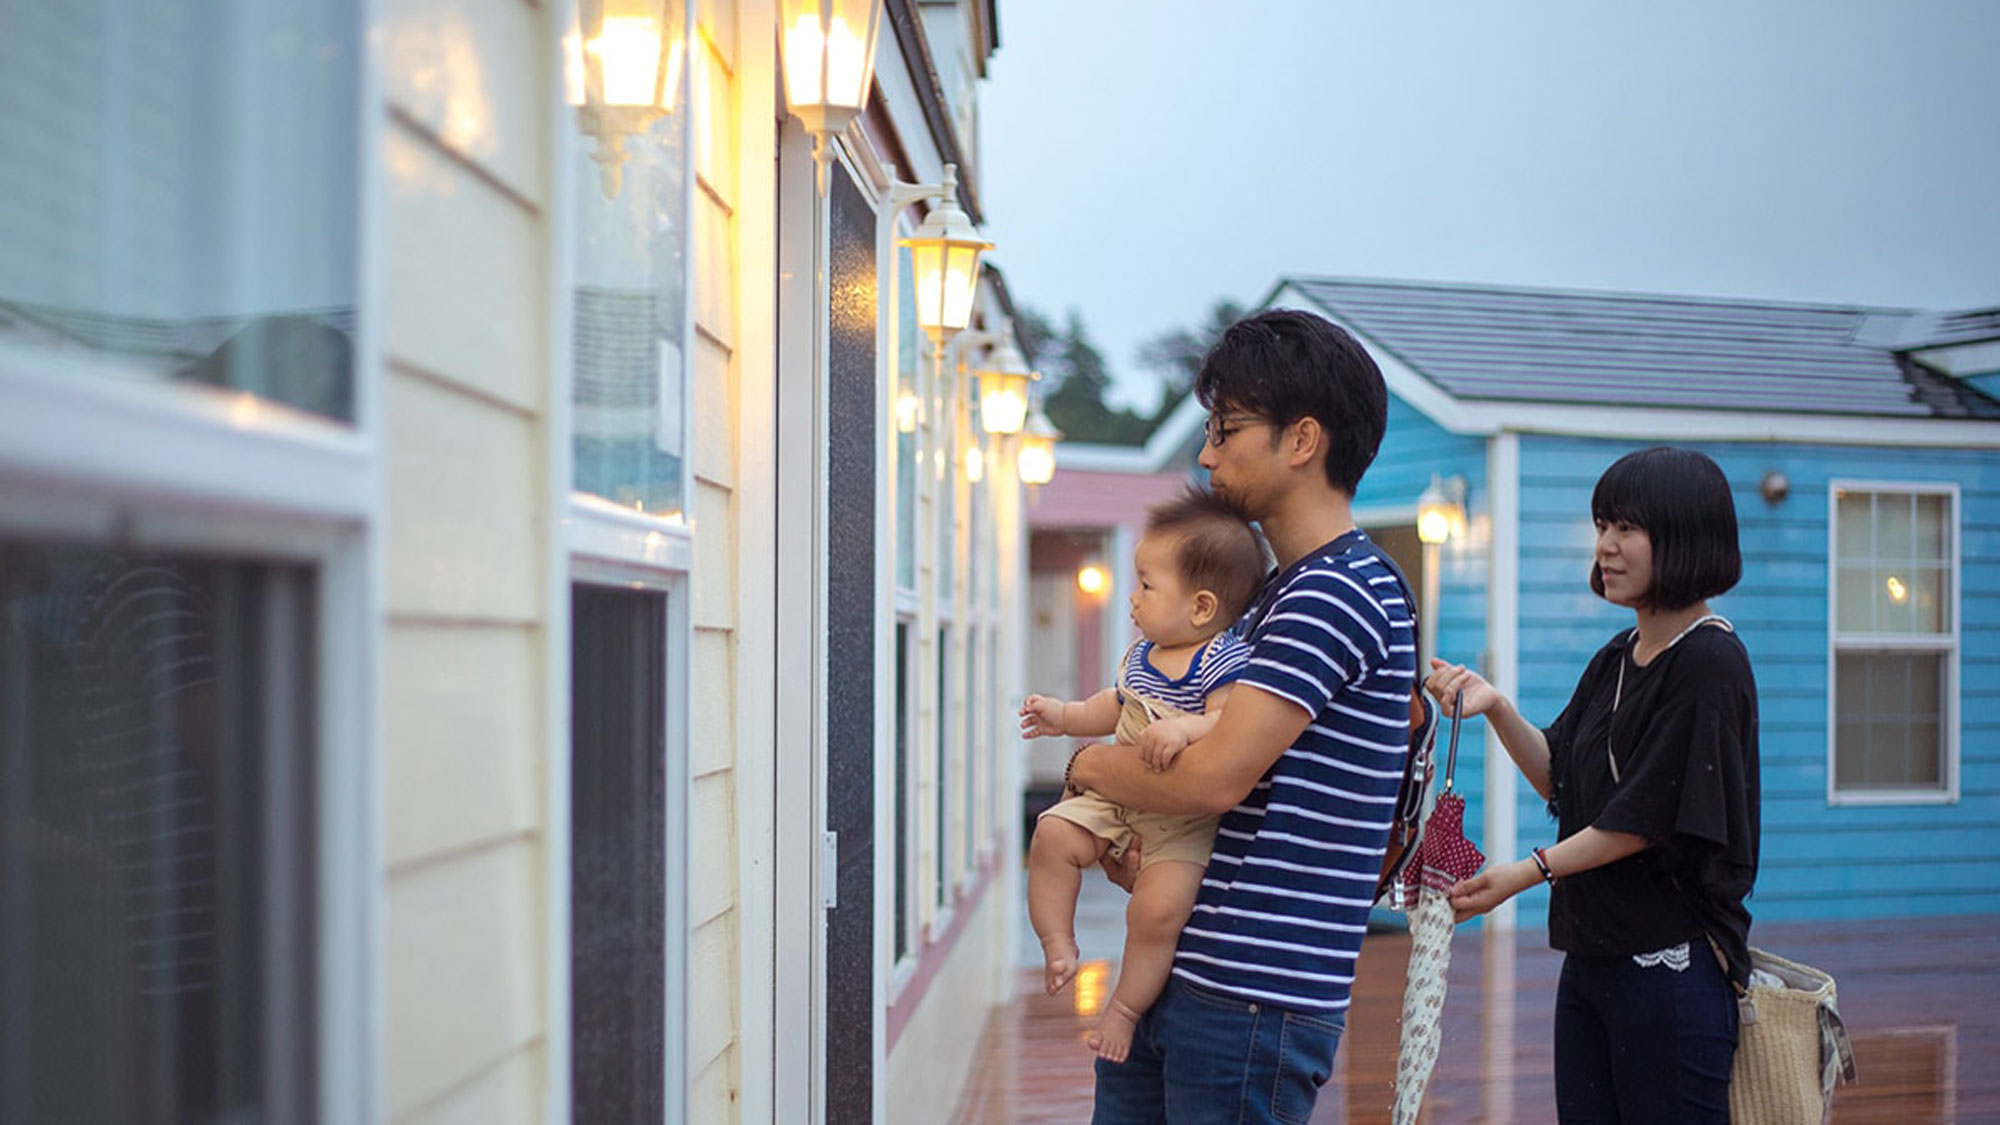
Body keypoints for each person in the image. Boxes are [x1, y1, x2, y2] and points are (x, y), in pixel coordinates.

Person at [1065, 308, 1413, 1123]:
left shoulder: (1336, 591)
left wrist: (1080, 768)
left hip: (1251, 995)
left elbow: (1214, 777)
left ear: (1302, 439)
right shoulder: (1275, 597)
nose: (1208, 451)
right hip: (1191, 974)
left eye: (1226, 427)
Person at [1428, 445, 1758, 1124]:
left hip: (1671, 966)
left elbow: (1648, 815)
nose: (1605, 546)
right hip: (1590, 958)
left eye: (1626, 528)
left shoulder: (1710, 661)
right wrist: (1495, 707)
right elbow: (1560, 776)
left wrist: (1527, 870)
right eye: (1601, 525)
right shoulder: (1615, 657)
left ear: (1685, 536)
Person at [1021, 487, 1265, 1063]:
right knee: (1052, 834)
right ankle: (1058, 943)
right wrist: (1064, 717)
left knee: (1155, 912)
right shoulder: (1142, 655)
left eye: (1147, 585)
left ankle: (1125, 1010)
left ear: (1201, 607)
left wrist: (1186, 729)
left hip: (1183, 826)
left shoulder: (1221, 660)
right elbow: (1114, 706)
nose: (1132, 598)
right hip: (1118, 801)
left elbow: (1229, 723)